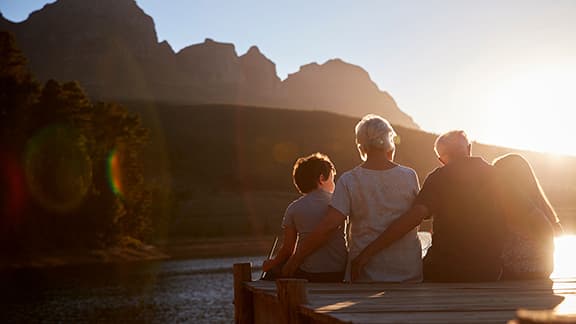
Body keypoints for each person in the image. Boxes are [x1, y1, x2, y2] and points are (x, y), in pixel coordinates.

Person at [282, 114, 423, 282]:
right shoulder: (409, 175)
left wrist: (295, 259)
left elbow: (328, 226)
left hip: (366, 274)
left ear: (361, 146)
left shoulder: (349, 180)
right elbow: (416, 219)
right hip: (408, 273)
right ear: (389, 142)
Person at [351, 130, 506, 282]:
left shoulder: (439, 177)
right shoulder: (496, 175)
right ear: (469, 148)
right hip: (488, 270)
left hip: (445, 269)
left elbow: (414, 217)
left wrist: (367, 253)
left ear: (441, 159)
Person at [261, 152, 347, 282]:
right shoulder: (339, 202)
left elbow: (288, 249)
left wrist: (272, 263)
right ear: (322, 178)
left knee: (273, 273)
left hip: (309, 274)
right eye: (332, 179)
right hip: (339, 272)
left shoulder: (294, 208)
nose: (334, 184)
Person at [493, 153, 562, 279]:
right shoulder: (539, 202)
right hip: (544, 269)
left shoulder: (513, 202)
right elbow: (558, 232)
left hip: (518, 270)